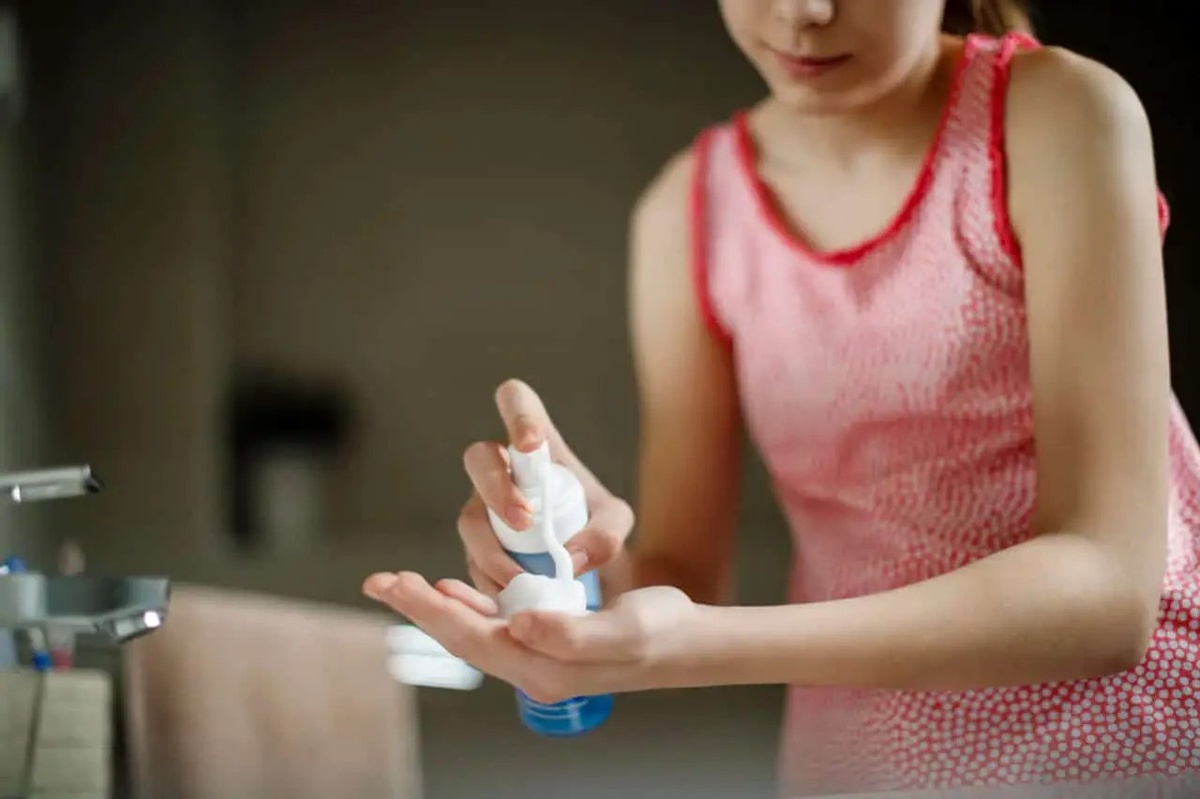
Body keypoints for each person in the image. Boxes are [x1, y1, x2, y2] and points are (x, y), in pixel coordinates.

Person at [364, 0, 1200, 794]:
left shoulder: (1055, 116)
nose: (804, 13)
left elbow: (1107, 597)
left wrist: (704, 645)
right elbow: (679, 583)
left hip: (1122, 752)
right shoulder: (691, 211)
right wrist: (570, 543)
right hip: (855, 768)